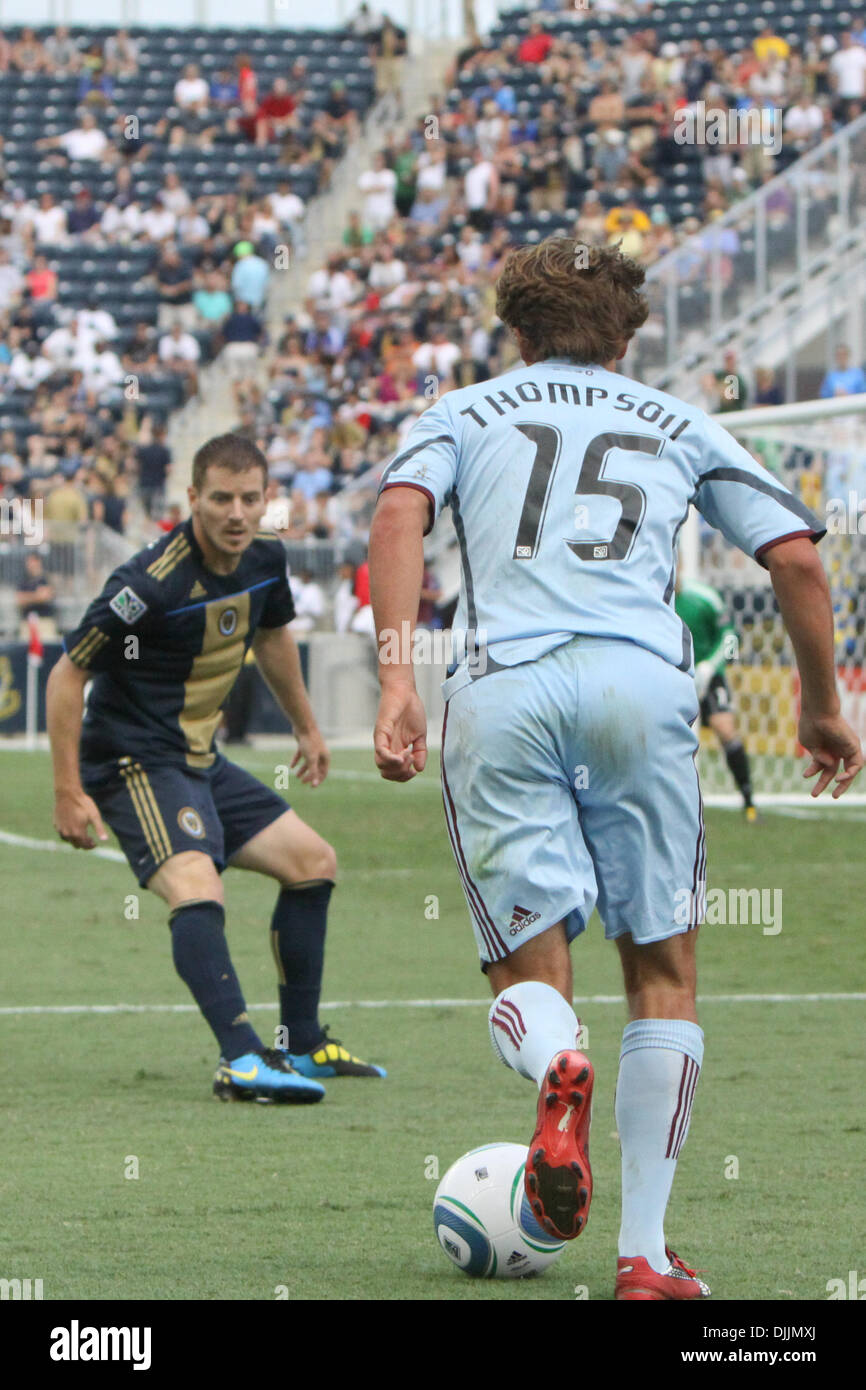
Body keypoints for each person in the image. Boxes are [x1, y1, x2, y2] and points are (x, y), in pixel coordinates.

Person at [368, 239, 863, 1300]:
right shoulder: (679, 420)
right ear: (627, 333)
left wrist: (398, 682)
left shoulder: (460, 411)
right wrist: (822, 706)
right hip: (642, 692)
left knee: (527, 971)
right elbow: (796, 559)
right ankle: (641, 1255)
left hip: (507, 689)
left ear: (512, 327)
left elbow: (397, 512)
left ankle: (553, 1065)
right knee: (663, 973)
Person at [46, 434, 385, 1103]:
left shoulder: (265, 559)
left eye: (250, 498)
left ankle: (302, 1042)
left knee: (314, 862)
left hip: (203, 760)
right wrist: (66, 789)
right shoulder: (145, 585)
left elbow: (272, 636)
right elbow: (67, 674)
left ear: (267, 501)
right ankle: (240, 1059)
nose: (236, 513)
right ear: (192, 498)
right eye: (222, 498)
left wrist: (308, 727)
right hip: (132, 760)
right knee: (198, 885)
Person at [675, 577, 757, 817]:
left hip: (708, 675)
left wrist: (713, 665)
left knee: (725, 728)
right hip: (671, 675)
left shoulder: (704, 597)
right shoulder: (652, 596)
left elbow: (731, 637)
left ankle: (749, 800)